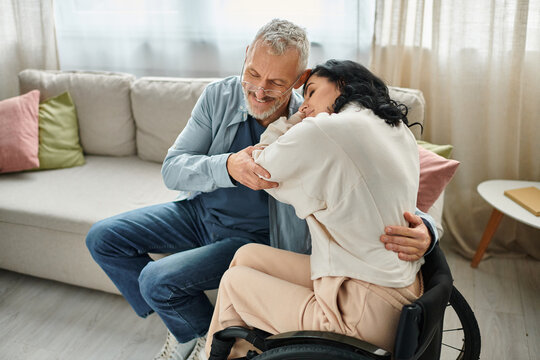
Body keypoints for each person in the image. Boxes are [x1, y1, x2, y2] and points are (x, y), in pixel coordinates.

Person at [85, 19, 437, 360]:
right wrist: (226, 167)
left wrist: (427, 229)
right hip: (199, 213)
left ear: (299, 80)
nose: (258, 89)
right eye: (253, 73)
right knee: (103, 238)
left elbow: (379, 185)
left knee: (156, 280)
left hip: (254, 236)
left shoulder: (321, 121)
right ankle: (188, 326)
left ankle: (196, 333)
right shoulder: (218, 97)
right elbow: (173, 168)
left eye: (274, 81)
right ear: (245, 59)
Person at [205, 59, 426, 358]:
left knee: (234, 283)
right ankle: (240, 351)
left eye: (310, 92)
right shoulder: (394, 128)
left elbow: (258, 167)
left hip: (360, 315)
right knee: (247, 256)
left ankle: (218, 353)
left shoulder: (326, 130)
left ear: (343, 84)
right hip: (395, 291)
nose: (304, 105)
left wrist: (293, 120)